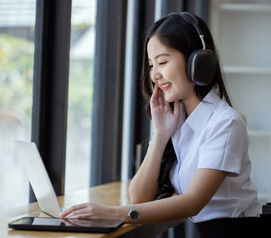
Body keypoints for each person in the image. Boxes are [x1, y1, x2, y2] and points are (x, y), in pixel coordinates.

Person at [60, 12, 262, 237]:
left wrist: (113, 212)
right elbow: (139, 198)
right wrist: (161, 135)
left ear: (197, 61)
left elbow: (192, 203)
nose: (155, 75)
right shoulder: (180, 121)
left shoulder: (225, 124)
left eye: (163, 62)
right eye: (150, 65)